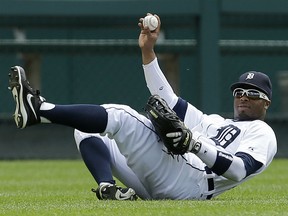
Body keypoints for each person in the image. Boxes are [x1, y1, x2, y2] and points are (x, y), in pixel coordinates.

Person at [8, 14, 277, 201]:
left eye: (252, 94)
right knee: (86, 129)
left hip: (192, 181)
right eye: (239, 91)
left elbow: (239, 170)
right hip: (170, 176)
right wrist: (148, 50)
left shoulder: (262, 133)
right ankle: (108, 188)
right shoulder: (214, 121)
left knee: (120, 116)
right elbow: (168, 99)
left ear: (266, 102)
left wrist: (193, 143)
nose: (243, 97)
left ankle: (39, 110)